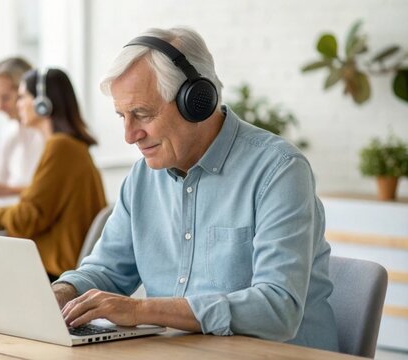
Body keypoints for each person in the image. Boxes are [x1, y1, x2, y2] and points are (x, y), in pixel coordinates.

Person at [53, 27, 339, 352]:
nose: (130, 135)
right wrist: (62, 291)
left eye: (142, 114)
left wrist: (141, 310)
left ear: (197, 102)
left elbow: (277, 308)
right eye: (122, 116)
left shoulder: (279, 170)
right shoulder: (143, 178)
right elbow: (106, 270)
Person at [0, 68, 107, 281]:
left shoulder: (60, 147)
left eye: (23, 97)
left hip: (54, 272)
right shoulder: (71, 146)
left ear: (43, 103)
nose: (18, 104)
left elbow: (27, 218)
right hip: (56, 267)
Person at [0, 57, 45, 197]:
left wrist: (11, 191)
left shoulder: (49, 136)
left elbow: (50, 192)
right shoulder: (8, 134)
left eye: (5, 98)